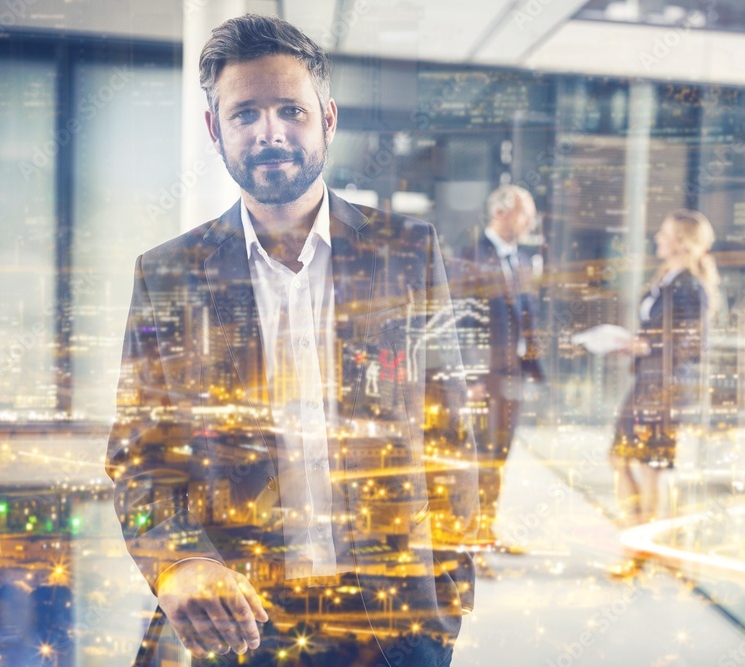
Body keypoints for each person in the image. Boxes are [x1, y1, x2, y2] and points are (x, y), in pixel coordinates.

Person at [105, 15, 478, 667]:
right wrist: (178, 563)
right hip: (242, 621)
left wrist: (447, 594)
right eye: (245, 112)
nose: (269, 131)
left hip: (397, 619)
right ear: (215, 128)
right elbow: (142, 456)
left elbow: (447, 424)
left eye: (290, 110)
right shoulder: (168, 273)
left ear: (327, 119)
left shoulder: (407, 250)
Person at [609, 209, 719, 525]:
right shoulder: (667, 279)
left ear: (683, 243)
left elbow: (695, 343)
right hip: (648, 381)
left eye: (665, 234)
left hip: (665, 387)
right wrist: (637, 345)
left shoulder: (690, 285)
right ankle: (637, 534)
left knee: (650, 466)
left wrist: (647, 345)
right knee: (621, 457)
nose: (658, 237)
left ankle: (640, 542)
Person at [455, 185, 544, 546]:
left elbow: (527, 317)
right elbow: (462, 320)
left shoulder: (521, 260)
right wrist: (470, 377)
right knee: (478, 457)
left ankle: (486, 530)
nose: (531, 222)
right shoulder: (470, 256)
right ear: (501, 213)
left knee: (499, 455)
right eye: (526, 214)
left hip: (513, 376)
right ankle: (468, 538)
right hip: (483, 378)